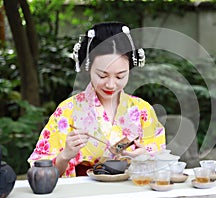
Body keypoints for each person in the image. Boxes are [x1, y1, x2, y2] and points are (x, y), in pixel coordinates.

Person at [28, 22, 166, 177]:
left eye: (120, 76)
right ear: (88, 67)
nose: (111, 84)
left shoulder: (142, 110)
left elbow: (161, 164)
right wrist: (65, 156)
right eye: (102, 75)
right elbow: (39, 172)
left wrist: (143, 158)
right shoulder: (67, 111)